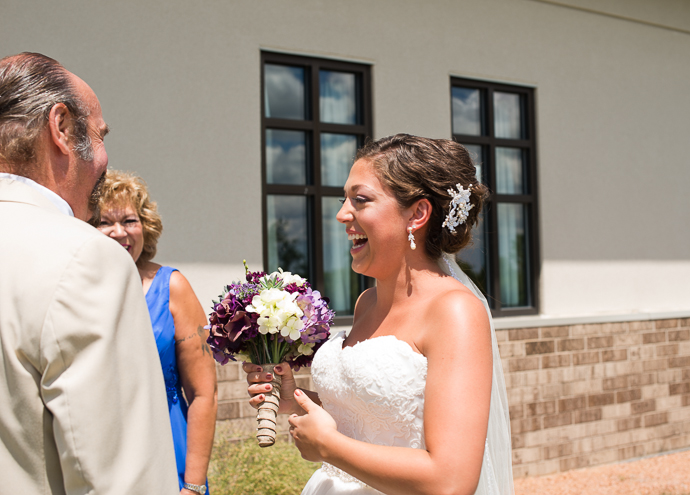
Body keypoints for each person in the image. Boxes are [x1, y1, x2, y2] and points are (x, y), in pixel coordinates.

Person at [244, 134, 514, 495]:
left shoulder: (455, 312)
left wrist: (328, 447)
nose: (342, 214)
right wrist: (298, 398)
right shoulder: (367, 303)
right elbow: (376, 418)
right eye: (344, 199)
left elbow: (450, 481)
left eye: (361, 200)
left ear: (417, 214)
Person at [0, 52, 180, 493]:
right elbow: (117, 478)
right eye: (99, 135)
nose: (103, 157)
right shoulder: (84, 257)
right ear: (61, 128)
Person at [95, 169, 218, 495]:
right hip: (98, 451)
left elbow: (205, 394)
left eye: (129, 221)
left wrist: (192, 485)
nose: (119, 232)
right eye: (104, 221)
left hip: (167, 445)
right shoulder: (75, 290)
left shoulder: (172, 287)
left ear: (145, 228)